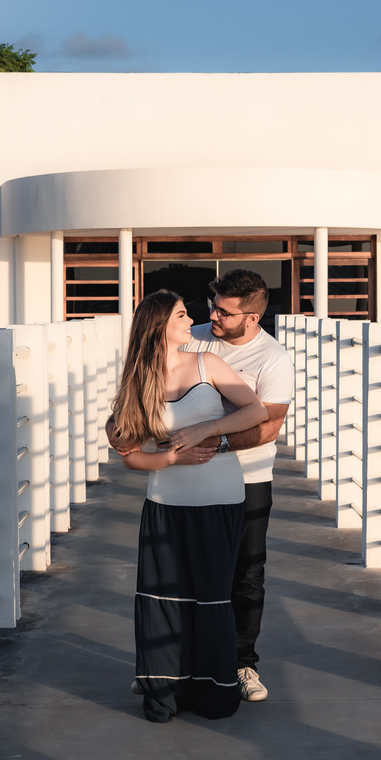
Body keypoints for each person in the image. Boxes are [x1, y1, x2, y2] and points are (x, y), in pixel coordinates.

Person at [109, 269, 294, 703]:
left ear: (250, 319)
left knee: (244, 576)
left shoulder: (272, 359)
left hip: (247, 477)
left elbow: (268, 426)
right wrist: (121, 427)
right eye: (211, 306)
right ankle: (174, 670)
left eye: (224, 312)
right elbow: (148, 378)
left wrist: (209, 440)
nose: (211, 315)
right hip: (180, 483)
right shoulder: (191, 335)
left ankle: (241, 664)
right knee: (183, 582)